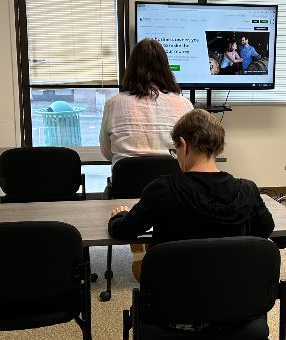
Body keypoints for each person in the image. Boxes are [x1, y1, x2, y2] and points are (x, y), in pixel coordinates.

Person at [107, 108, 275, 270]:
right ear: (219, 148)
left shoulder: (162, 189)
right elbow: (266, 230)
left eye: (175, 150)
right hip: (232, 293)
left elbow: (124, 231)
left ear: (183, 144)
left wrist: (120, 215)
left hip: (173, 294)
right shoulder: (248, 190)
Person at [99, 38, 193, 166]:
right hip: (172, 184)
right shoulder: (185, 105)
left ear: (131, 68)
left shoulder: (113, 104)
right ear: (165, 68)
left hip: (127, 183)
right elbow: (190, 151)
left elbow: (107, 151)